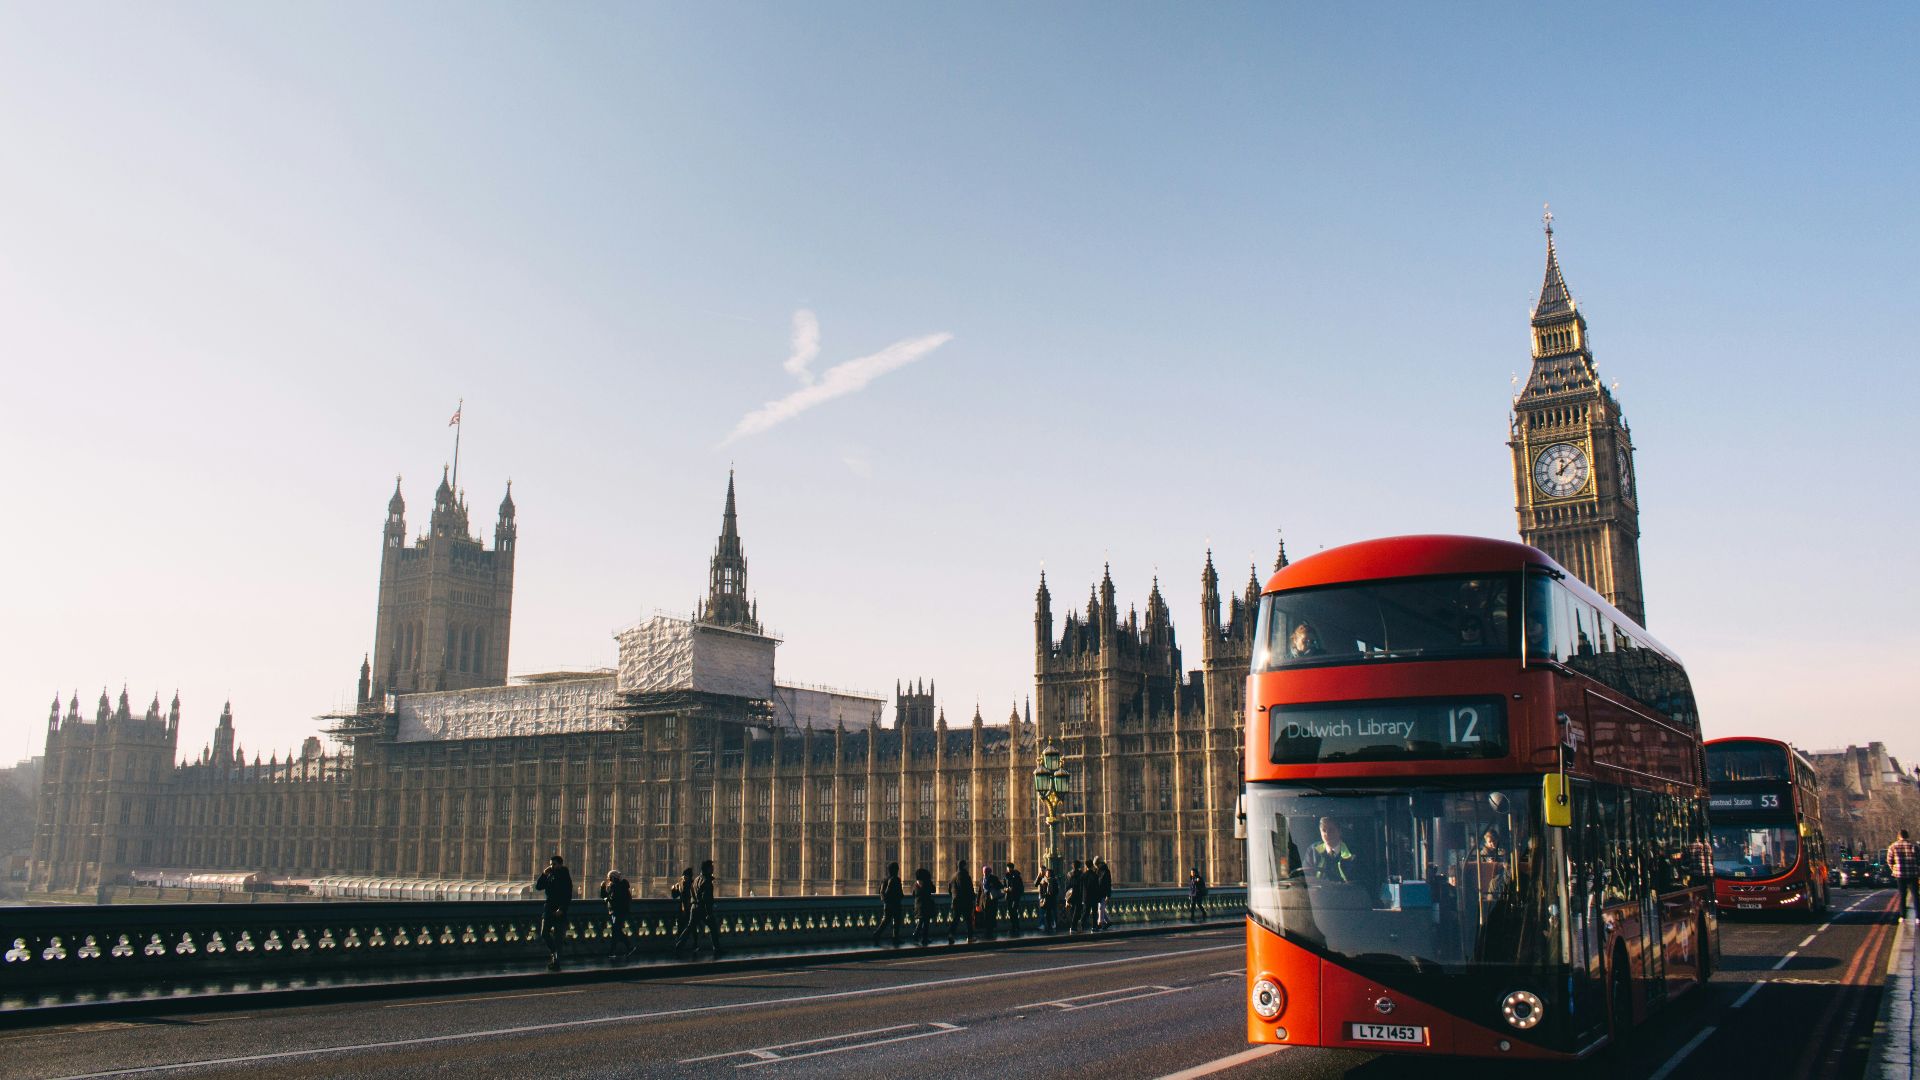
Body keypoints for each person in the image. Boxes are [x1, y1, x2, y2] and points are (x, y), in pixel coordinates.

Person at [673, 859, 722, 957]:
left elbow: (692, 893)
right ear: (708, 869)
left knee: (689, 928)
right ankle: (717, 949)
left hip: (694, 907)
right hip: (702, 908)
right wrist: (708, 913)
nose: (713, 869)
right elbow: (706, 898)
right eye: (712, 867)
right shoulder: (706, 881)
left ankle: (678, 946)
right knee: (713, 927)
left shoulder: (696, 879)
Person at [534, 854, 574, 970]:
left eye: (554, 864)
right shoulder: (549, 874)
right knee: (544, 933)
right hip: (549, 908)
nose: (552, 866)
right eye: (551, 864)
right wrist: (543, 874)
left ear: (560, 865)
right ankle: (554, 953)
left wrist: (561, 909)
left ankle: (556, 961)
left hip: (560, 910)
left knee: (558, 938)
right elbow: (538, 887)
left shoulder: (565, 876)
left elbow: (567, 895)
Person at [1305, 818, 1356, 884]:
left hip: (1345, 893)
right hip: (1320, 893)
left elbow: (1358, 883)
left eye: (1331, 830)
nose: (1327, 834)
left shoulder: (1353, 851)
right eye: (1324, 830)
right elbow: (1306, 876)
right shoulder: (1312, 851)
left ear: (1339, 831)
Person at [599, 869, 633, 958]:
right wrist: (603, 888)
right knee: (616, 931)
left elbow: (613, 899)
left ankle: (627, 947)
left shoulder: (618, 886)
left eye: (610, 878)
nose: (609, 880)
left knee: (616, 930)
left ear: (614, 878)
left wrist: (608, 898)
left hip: (618, 911)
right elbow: (604, 896)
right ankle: (615, 951)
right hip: (617, 911)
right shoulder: (618, 886)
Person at [1889, 829, 1918, 922]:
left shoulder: (1893, 846)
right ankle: (1918, 917)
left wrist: (1894, 869)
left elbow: (1889, 860)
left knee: (1902, 895)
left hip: (1900, 873)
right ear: (1907, 836)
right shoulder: (1914, 846)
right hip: (1913, 873)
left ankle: (1902, 916)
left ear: (1899, 836)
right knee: (1915, 895)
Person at [873, 862, 906, 945]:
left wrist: (885, 901)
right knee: (897, 922)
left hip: (887, 904)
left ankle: (877, 934)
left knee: (885, 921)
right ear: (895, 870)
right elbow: (900, 893)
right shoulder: (896, 879)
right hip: (895, 904)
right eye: (897, 869)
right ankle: (895, 938)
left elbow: (881, 892)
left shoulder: (885, 880)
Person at [947, 863, 976, 944]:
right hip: (965, 902)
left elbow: (949, 890)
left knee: (955, 920)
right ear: (964, 866)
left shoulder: (953, 877)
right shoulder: (965, 876)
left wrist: (954, 898)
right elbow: (969, 889)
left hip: (956, 902)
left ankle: (950, 934)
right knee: (969, 920)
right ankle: (970, 937)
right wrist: (973, 898)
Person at [912, 867, 938, 946]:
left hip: (918, 905)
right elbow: (934, 890)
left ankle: (916, 935)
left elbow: (913, 894)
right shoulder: (927, 882)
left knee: (921, 921)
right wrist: (930, 881)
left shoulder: (915, 884)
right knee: (926, 923)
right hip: (926, 905)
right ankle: (924, 938)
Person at [978, 863, 1003, 938]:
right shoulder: (981, 879)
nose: (984, 873)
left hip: (992, 900)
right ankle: (986, 931)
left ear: (989, 872)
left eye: (986, 872)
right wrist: (977, 903)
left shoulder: (994, 878)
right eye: (984, 872)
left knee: (991, 916)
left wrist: (993, 885)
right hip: (984, 901)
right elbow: (980, 891)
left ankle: (990, 931)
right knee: (985, 916)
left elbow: (1000, 886)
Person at [671, 867, 696, 937]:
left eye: (684, 877)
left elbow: (674, 895)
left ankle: (681, 943)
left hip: (688, 910)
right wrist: (673, 888)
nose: (683, 878)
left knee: (688, 928)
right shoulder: (683, 885)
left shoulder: (689, 885)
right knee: (687, 928)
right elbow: (675, 895)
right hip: (685, 910)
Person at [1064, 860, 1087, 932]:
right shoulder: (1081, 874)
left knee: (1072, 910)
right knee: (1077, 911)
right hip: (1078, 895)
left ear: (1072, 866)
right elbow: (1083, 886)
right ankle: (1073, 927)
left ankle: (1074, 926)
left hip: (1071, 894)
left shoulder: (1069, 874)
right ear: (1079, 866)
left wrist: (1066, 897)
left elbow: (1067, 886)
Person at [1004, 862, 1026, 934]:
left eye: (1008, 867)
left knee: (1014, 910)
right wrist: (1006, 889)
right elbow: (1004, 886)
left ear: (1011, 868)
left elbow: (1020, 886)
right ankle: (1014, 926)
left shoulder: (1017, 875)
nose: (1007, 869)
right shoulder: (1006, 876)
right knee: (1011, 911)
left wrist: (1013, 889)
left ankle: (1016, 926)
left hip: (1016, 896)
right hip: (1009, 896)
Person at [1093, 856, 1113, 930]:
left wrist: (1108, 895)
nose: (1096, 866)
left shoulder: (1106, 871)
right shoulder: (1097, 870)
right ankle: (1108, 921)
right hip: (1098, 893)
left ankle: (1100, 923)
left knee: (1101, 908)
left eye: (1097, 865)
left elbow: (1108, 884)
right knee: (1101, 908)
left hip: (1103, 893)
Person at [1035, 866, 1056, 934]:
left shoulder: (1052, 879)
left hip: (1049, 898)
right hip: (1043, 897)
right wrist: (1039, 876)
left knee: (1049, 912)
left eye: (1043, 870)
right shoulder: (1041, 878)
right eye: (1041, 870)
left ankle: (1051, 923)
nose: (1042, 872)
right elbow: (1036, 884)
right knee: (1042, 912)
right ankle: (1043, 925)